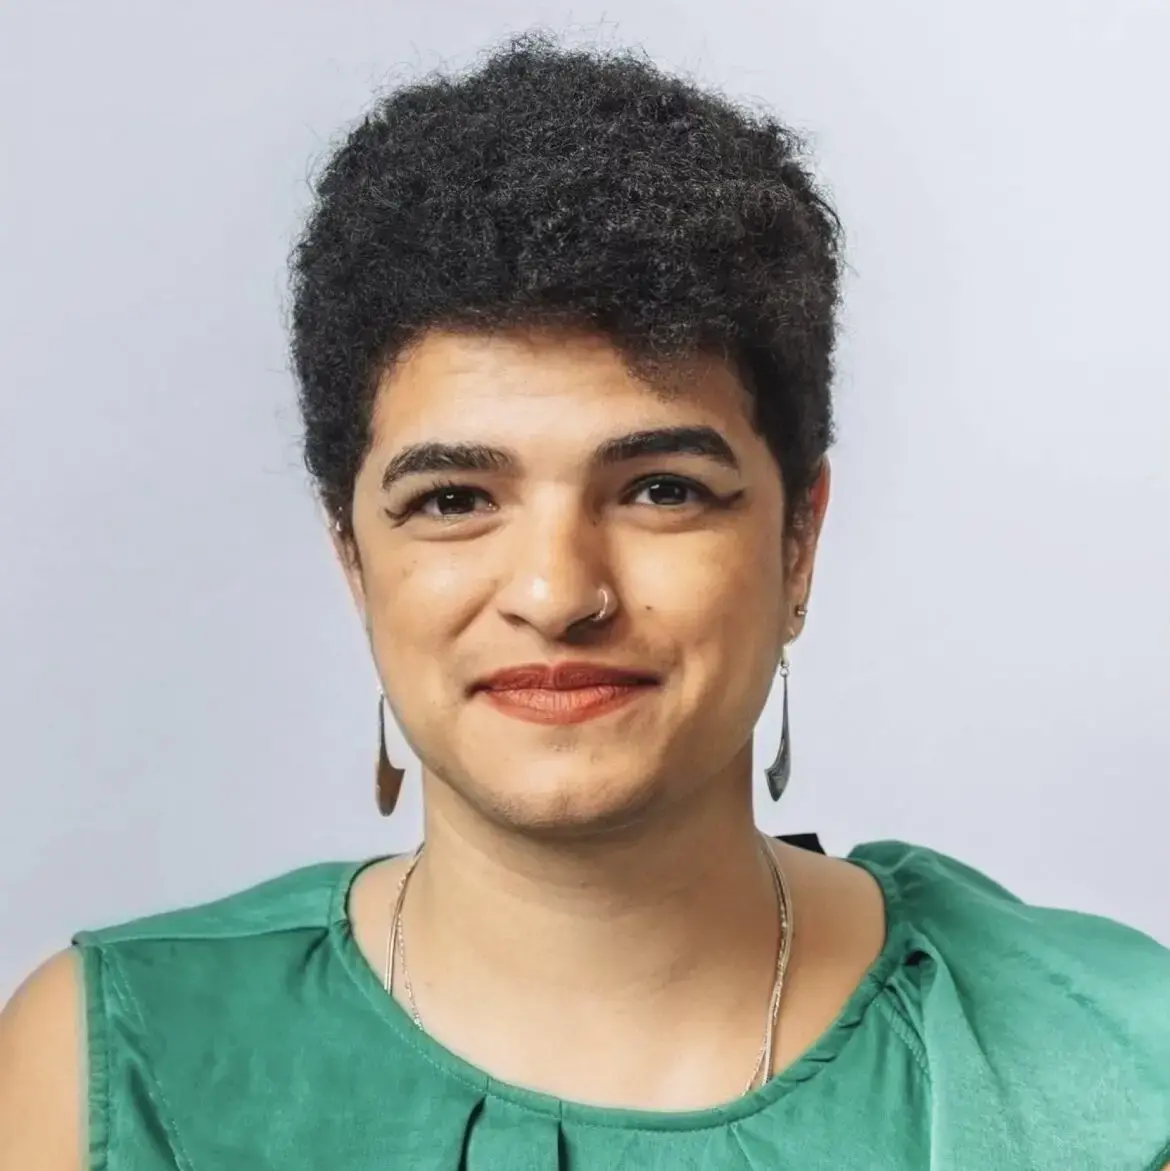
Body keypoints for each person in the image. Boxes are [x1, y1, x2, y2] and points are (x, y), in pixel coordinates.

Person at [1, 31, 1167, 1171]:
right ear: (354, 559)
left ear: (798, 537)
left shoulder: (1115, 1067)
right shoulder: (108, 1069)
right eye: (455, 497)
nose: (558, 593)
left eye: (662, 489)